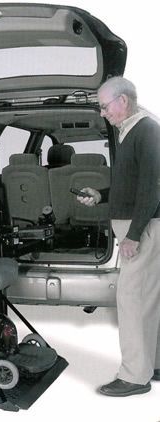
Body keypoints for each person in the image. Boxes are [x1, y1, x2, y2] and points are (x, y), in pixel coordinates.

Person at [77, 76, 160, 396]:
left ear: (123, 101)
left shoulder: (147, 131)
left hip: (143, 229)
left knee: (131, 301)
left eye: (104, 106)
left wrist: (134, 235)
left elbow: (152, 188)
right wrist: (101, 195)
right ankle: (151, 365)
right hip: (143, 227)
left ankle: (133, 377)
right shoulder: (133, 133)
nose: (102, 113)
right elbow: (133, 184)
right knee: (148, 300)